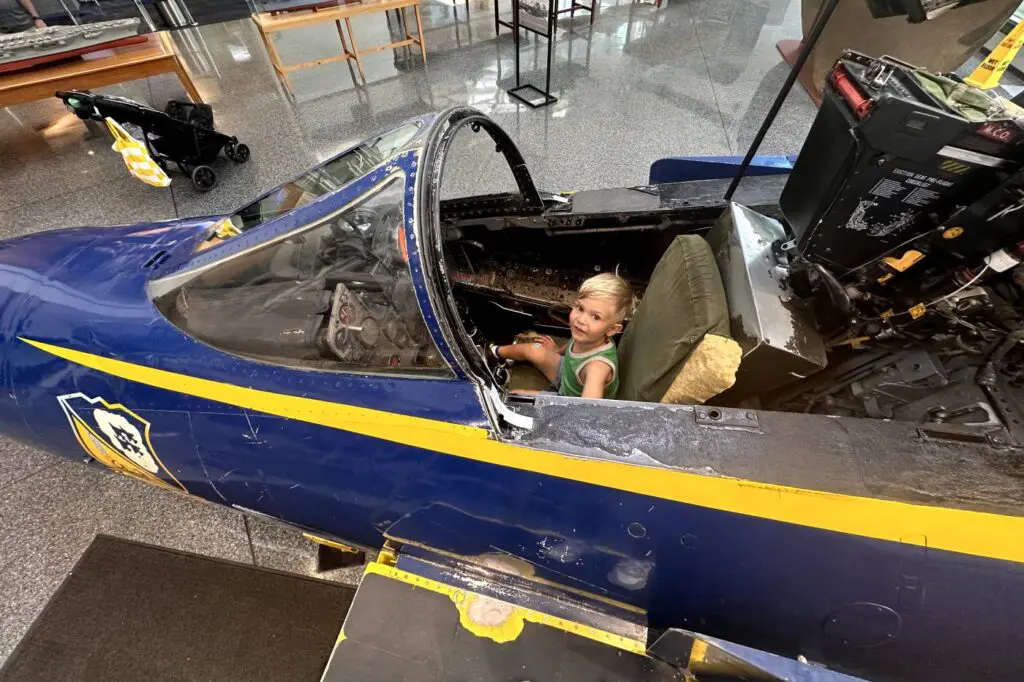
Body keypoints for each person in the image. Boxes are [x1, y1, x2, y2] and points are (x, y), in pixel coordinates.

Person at [490, 273, 633, 400]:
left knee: (517, 395)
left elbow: (587, 410)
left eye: (595, 317)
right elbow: (573, 342)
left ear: (613, 329)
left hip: (569, 399)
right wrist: (557, 351)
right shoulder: (588, 334)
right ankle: (493, 352)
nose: (581, 320)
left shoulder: (598, 368)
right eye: (580, 308)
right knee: (534, 349)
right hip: (565, 373)